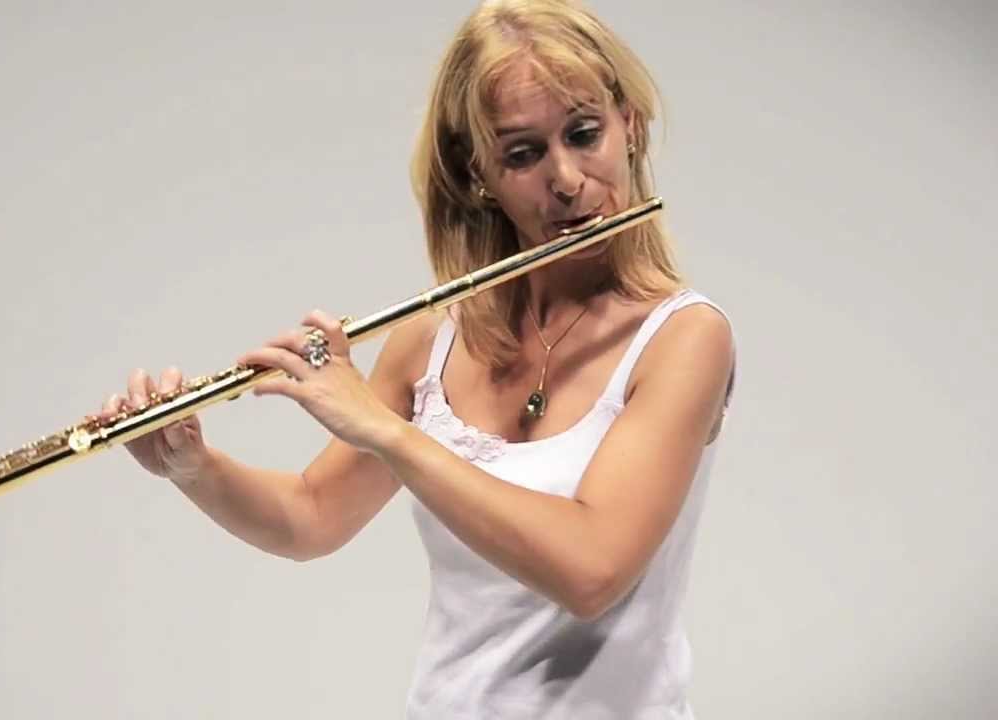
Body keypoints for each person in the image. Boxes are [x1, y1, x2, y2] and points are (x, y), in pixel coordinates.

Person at [96, 1, 735, 716]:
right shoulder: (434, 337)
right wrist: (194, 467)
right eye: (523, 154)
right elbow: (311, 516)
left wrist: (385, 432)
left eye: (584, 134)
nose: (565, 178)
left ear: (630, 126)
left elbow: (593, 572)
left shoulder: (685, 338)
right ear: (478, 173)